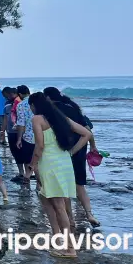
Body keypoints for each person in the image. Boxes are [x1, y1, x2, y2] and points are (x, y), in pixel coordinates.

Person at [28, 92, 92, 259]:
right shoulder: (60, 117)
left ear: (34, 106)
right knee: (53, 203)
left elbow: (40, 146)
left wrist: (32, 165)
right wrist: (71, 152)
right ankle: (60, 242)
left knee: (59, 207)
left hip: (49, 165)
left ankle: (70, 249)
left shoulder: (37, 119)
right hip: (64, 163)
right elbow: (87, 134)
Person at [44, 86, 100, 228]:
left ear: (48, 98)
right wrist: (93, 146)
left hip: (65, 150)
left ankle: (71, 219)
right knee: (79, 185)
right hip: (80, 148)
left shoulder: (53, 110)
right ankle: (89, 214)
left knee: (65, 186)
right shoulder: (72, 107)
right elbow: (87, 130)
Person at [14, 84, 36, 185]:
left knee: (28, 160)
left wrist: (19, 139)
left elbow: (21, 123)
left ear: (20, 94)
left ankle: (27, 177)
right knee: (39, 160)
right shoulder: (39, 102)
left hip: (28, 137)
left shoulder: (21, 105)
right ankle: (39, 185)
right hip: (43, 136)